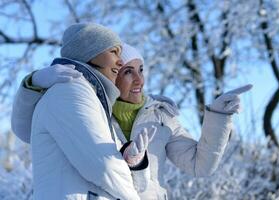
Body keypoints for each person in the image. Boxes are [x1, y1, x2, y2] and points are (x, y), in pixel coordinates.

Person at [12, 41, 252, 199]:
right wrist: (33, 82)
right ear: (110, 75)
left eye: (141, 69)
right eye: (128, 71)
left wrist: (219, 118)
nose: (139, 80)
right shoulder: (90, 112)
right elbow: (26, 129)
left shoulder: (161, 116)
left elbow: (201, 166)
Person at [11, 23, 155, 200]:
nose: (120, 61)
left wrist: (134, 163)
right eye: (114, 52)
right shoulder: (70, 90)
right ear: (90, 52)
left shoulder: (94, 100)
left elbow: (132, 182)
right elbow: (103, 166)